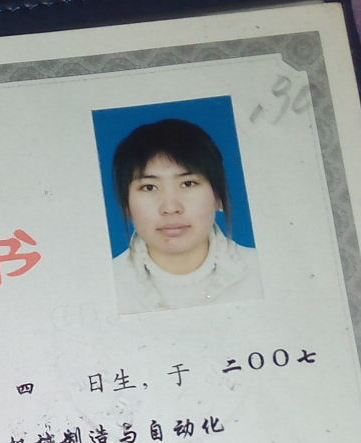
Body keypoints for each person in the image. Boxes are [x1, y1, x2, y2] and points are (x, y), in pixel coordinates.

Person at [110, 118, 260, 313]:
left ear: (218, 196)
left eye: (188, 184)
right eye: (149, 187)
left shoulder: (261, 271)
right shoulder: (108, 285)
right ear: (126, 204)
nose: (170, 207)